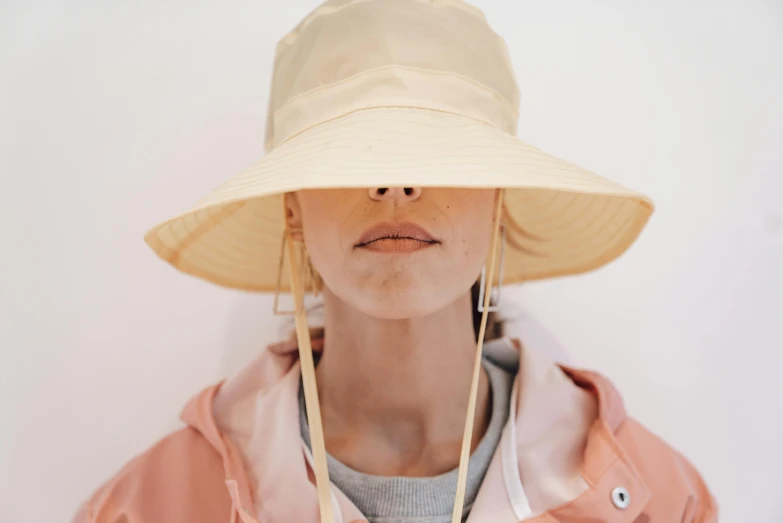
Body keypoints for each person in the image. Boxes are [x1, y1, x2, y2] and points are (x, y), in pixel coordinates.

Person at [72, 0, 718, 522]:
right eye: (352, 155)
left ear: (496, 199)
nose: (395, 184)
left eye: (441, 153)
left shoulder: (660, 500)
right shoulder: (148, 508)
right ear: (292, 208)